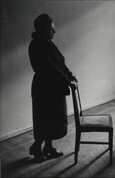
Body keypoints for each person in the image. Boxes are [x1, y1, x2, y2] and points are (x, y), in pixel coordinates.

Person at [28, 14, 77, 162]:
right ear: (42, 30)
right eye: (51, 29)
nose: (54, 32)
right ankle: (37, 148)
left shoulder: (48, 42)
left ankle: (48, 147)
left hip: (54, 88)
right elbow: (50, 68)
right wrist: (67, 82)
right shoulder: (36, 45)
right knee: (44, 119)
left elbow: (60, 63)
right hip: (44, 89)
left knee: (53, 119)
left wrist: (70, 76)